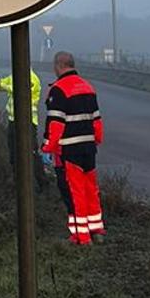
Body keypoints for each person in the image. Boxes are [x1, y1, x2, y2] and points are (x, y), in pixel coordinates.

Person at [42, 51, 104, 244]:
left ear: (59, 65)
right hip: (89, 148)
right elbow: (97, 122)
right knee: (90, 190)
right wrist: (95, 141)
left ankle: (81, 237)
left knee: (74, 192)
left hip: (70, 150)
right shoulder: (88, 87)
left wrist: (47, 147)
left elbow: (56, 125)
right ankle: (97, 230)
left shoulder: (59, 90)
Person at [0, 65, 44, 194]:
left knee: (31, 153)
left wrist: (2, 86)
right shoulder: (15, 76)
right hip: (14, 121)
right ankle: (17, 181)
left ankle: (40, 183)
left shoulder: (32, 79)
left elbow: (19, 89)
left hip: (28, 121)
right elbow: (4, 82)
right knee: (13, 152)